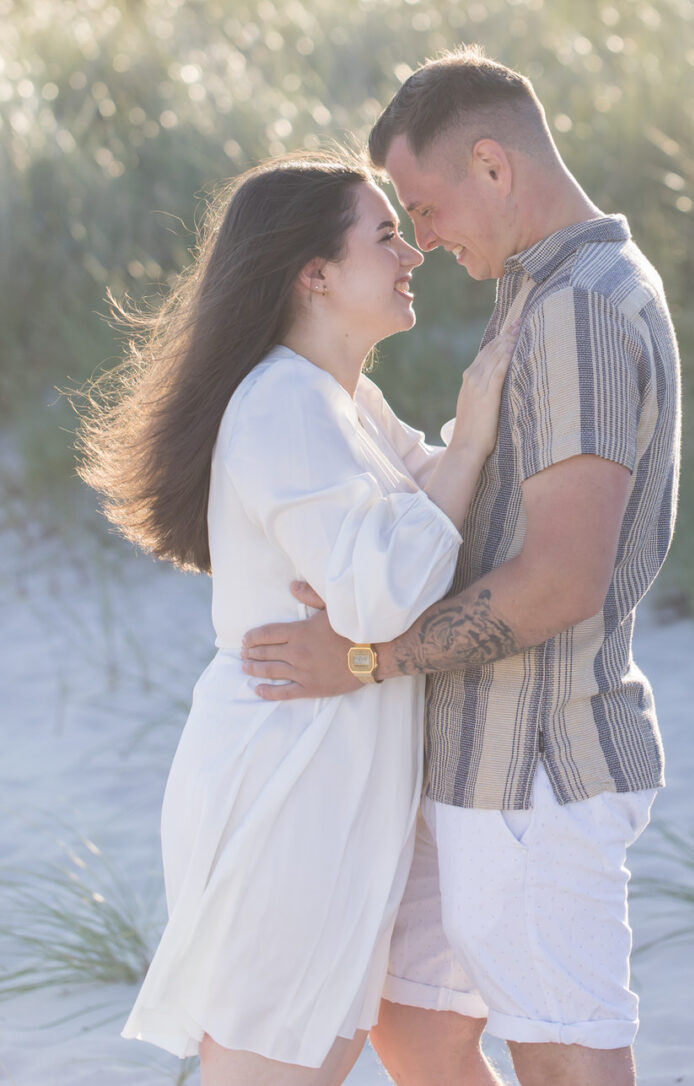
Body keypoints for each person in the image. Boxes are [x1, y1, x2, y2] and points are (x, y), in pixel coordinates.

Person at [241, 51, 682, 1086]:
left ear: (493, 164)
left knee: (566, 1056)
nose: (423, 242)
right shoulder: (545, 290)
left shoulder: (579, 308)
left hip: (538, 762)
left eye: (424, 209)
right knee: (411, 1019)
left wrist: (361, 658)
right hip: (473, 758)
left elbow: (559, 582)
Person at [77, 153, 517, 1085]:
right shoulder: (281, 403)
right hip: (288, 773)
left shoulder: (341, 399)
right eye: (385, 234)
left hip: (332, 766)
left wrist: (434, 499)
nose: (413, 253)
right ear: (314, 273)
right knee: (275, 1055)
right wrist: (471, 440)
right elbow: (392, 592)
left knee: (305, 1047)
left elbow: (423, 532)